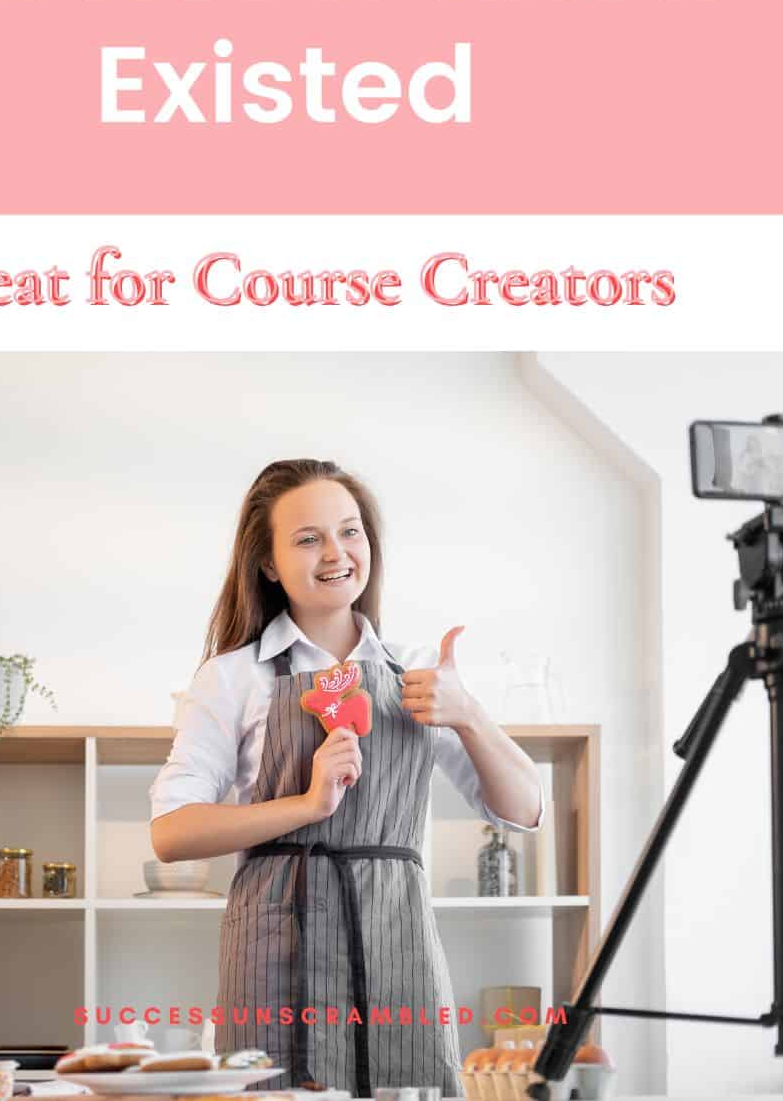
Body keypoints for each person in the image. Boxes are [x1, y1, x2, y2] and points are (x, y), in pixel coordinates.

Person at [149, 459, 543, 1096]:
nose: (336, 553)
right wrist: (306, 805)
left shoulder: (416, 674)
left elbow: (524, 809)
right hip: (276, 954)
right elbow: (171, 832)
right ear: (270, 563)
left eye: (350, 531)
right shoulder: (233, 677)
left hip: (397, 946)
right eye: (308, 539)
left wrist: (467, 714)